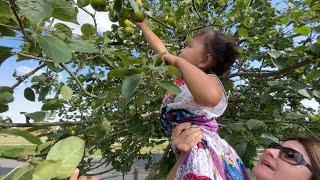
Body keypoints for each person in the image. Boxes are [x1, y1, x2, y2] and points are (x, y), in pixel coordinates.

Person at [134, 15, 249, 179]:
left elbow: (209, 97)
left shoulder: (210, 81)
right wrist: (144, 27)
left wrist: (179, 62)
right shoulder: (180, 80)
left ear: (204, 60)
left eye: (189, 46)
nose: (182, 50)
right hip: (187, 147)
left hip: (203, 149)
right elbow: (163, 53)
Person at [171, 122, 320, 180]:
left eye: (290, 155)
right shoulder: (231, 171)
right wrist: (185, 154)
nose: (270, 151)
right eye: (276, 147)